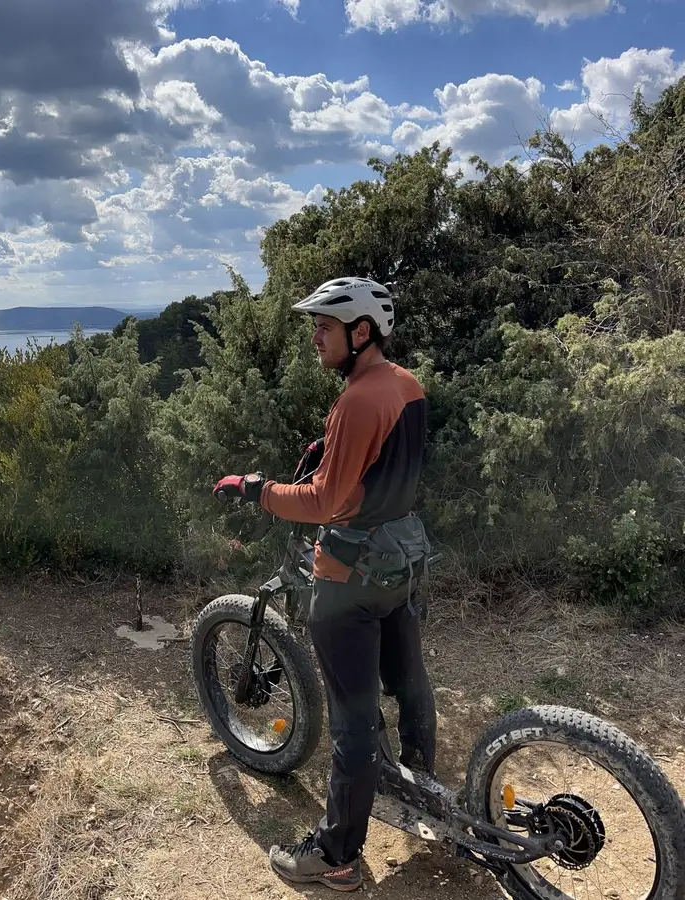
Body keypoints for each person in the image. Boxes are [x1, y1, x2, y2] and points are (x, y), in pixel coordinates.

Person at [212, 276, 438, 893]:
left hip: (349, 578)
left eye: (324, 327)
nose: (315, 338)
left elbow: (323, 501)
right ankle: (423, 789)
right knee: (410, 681)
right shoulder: (406, 386)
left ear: (360, 332)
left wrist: (256, 490)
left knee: (353, 720)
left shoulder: (358, 400)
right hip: (401, 560)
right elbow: (390, 469)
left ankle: (335, 856)